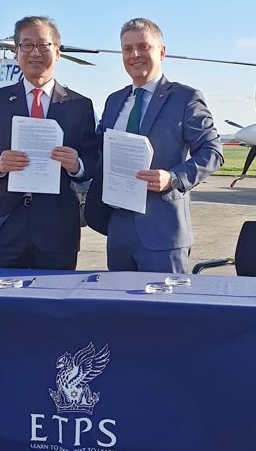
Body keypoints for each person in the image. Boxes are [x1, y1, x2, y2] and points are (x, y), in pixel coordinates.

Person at [85, 18, 223, 273]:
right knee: (117, 299)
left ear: (161, 52)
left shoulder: (185, 98)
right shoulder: (115, 101)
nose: (135, 55)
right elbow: (99, 150)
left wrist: (173, 178)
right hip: (118, 227)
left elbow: (213, 152)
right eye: (127, 49)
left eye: (143, 47)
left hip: (163, 231)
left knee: (165, 300)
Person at [0, 16, 97, 270]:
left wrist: (77, 165)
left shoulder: (79, 106)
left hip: (57, 228)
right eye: (26, 45)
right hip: (3, 224)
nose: (35, 52)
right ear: (16, 52)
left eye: (44, 45)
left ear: (57, 52)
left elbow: (93, 158)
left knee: (53, 294)